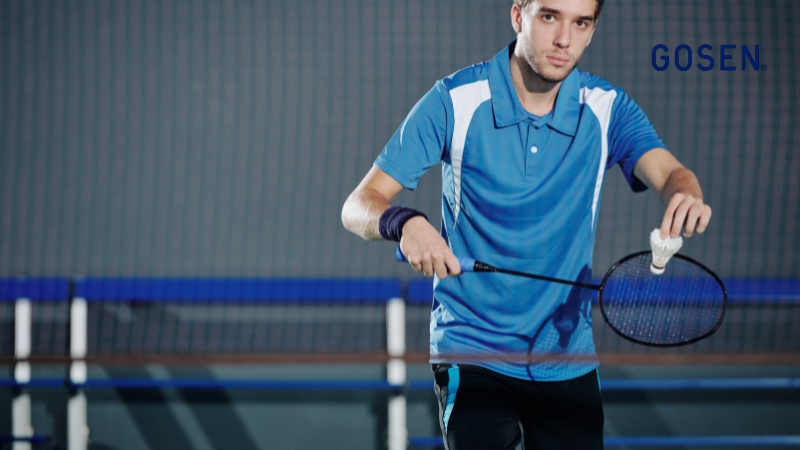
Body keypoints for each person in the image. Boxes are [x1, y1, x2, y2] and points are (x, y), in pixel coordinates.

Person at [342, 0, 712, 448]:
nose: (564, 40)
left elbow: (672, 174)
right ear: (519, 15)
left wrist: (685, 193)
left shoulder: (607, 108)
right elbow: (358, 205)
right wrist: (406, 222)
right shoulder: (456, 100)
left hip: (567, 354)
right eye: (549, 16)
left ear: (592, 29)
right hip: (473, 348)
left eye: (581, 23)